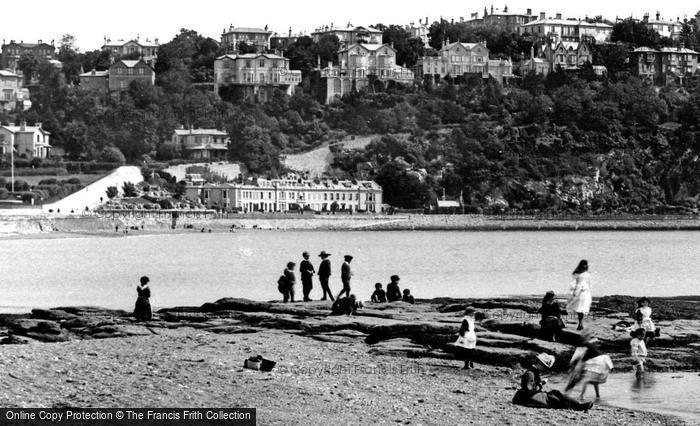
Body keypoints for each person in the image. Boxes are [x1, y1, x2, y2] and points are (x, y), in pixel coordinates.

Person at [512, 353, 594, 411]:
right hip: (530, 398)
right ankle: (579, 406)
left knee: (557, 395)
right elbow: (529, 389)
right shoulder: (530, 373)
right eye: (544, 367)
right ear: (540, 364)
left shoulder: (533, 372)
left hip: (530, 397)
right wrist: (541, 383)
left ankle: (578, 405)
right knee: (558, 397)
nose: (544, 369)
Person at [566, 260, 592, 331]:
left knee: (582, 308)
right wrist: (574, 293)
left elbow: (589, 284)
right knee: (579, 308)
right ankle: (580, 323)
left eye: (585, 265)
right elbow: (573, 284)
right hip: (578, 293)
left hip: (585, 293)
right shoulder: (576, 274)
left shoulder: (587, 274)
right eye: (583, 265)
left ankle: (580, 323)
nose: (585, 266)